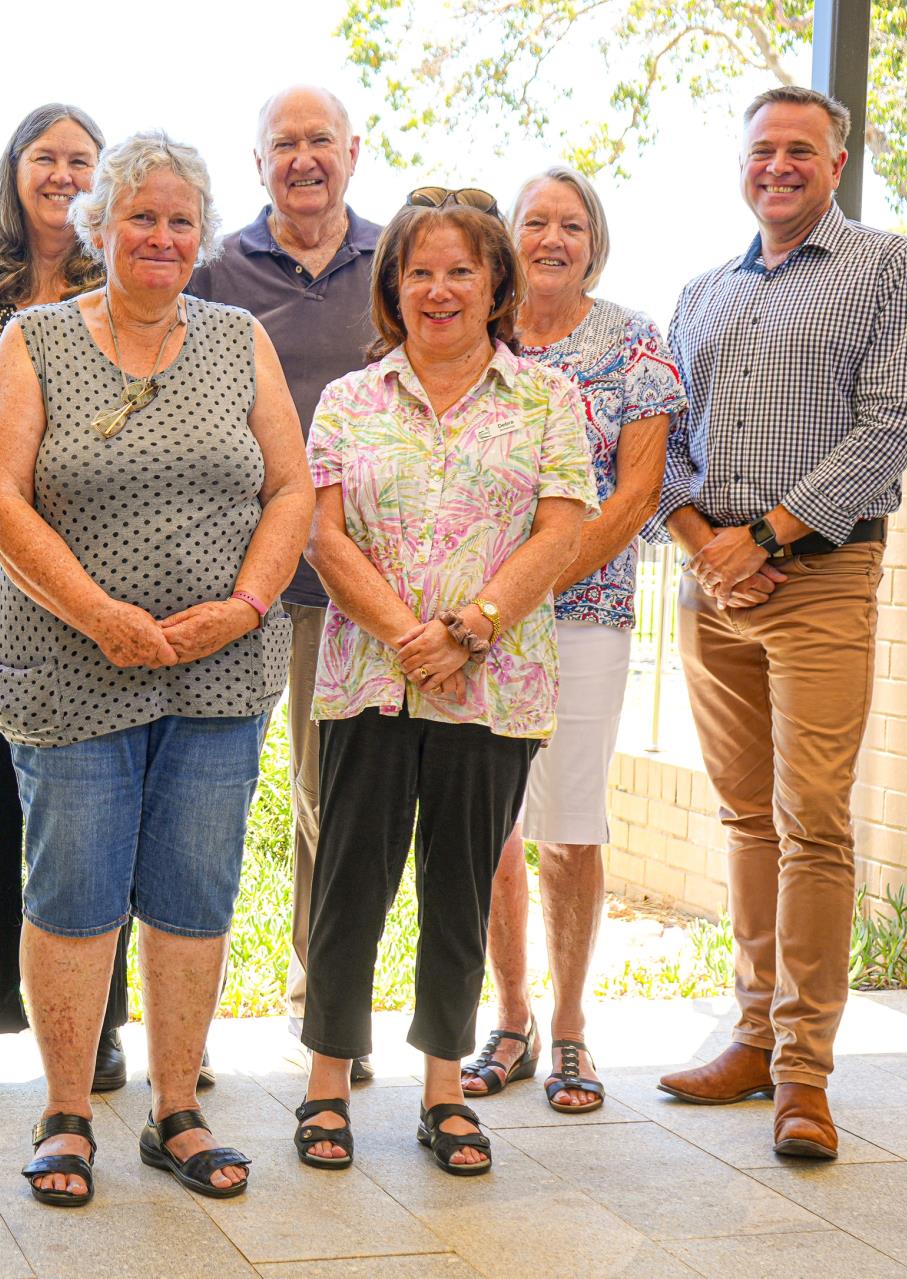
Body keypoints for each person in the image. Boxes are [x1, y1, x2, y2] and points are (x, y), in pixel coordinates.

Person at [0, 130, 312, 1208]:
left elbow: (291, 487)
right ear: (100, 228)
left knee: (193, 891)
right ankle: (65, 1113)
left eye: (178, 220)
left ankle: (176, 1111)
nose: (160, 236)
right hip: (71, 667)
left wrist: (249, 602)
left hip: (216, 671)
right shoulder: (34, 339)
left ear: (199, 235)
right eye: (140, 216)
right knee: (72, 892)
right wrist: (97, 613)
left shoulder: (237, 338)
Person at [652, 86, 907, 1160]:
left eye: (797, 150)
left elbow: (885, 431)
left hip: (815, 579)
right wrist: (704, 547)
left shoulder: (888, 272)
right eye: (759, 150)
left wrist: (764, 539)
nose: (775, 165)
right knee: (743, 820)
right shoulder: (698, 294)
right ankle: (746, 1031)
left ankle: (801, 1074)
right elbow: (662, 446)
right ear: (740, 166)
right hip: (712, 586)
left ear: (835, 161)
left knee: (810, 819)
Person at [297, 189, 594, 1177]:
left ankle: (441, 1088)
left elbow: (560, 530)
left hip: (494, 684)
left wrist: (470, 628)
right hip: (366, 682)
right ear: (392, 287)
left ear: (494, 283)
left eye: (459, 270)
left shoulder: (545, 399)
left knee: (461, 890)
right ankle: (325, 1084)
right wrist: (404, 633)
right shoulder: (348, 400)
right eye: (417, 271)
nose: (437, 289)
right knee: (347, 885)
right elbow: (321, 532)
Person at [0, 102, 137, 1096]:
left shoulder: (123, 295)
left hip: (88, 589)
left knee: (95, 810)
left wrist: (7, 438)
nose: (62, 174)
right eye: (44, 158)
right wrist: (50, 438)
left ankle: (100, 1023)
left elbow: (142, 418)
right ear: (12, 172)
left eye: (81, 160)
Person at [460, 167, 683, 1114]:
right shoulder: (479, 333)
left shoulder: (633, 339)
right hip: (474, 618)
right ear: (509, 237)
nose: (551, 237)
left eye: (571, 223)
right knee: (492, 825)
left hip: (583, 612)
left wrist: (534, 580)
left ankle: (571, 1028)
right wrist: (492, 601)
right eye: (534, 222)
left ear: (594, 240)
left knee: (570, 822)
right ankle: (508, 1022)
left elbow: (636, 490)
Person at [186, 88, 380, 1082]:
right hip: (229, 580)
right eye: (281, 145)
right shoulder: (214, 269)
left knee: (329, 809)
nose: (301, 159)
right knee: (203, 804)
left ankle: (322, 1019)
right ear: (255, 161)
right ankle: (188, 1031)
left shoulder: (394, 264)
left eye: (317, 142)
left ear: (352, 151)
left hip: (348, 588)